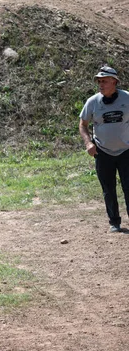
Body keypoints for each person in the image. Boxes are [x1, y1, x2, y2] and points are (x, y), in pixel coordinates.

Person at [79, 66, 129, 233]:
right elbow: (83, 124)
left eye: (105, 81)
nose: (101, 84)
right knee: (108, 189)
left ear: (114, 82)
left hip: (126, 152)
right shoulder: (92, 102)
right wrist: (88, 143)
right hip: (103, 152)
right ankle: (114, 222)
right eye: (99, 81)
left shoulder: (127, 98)